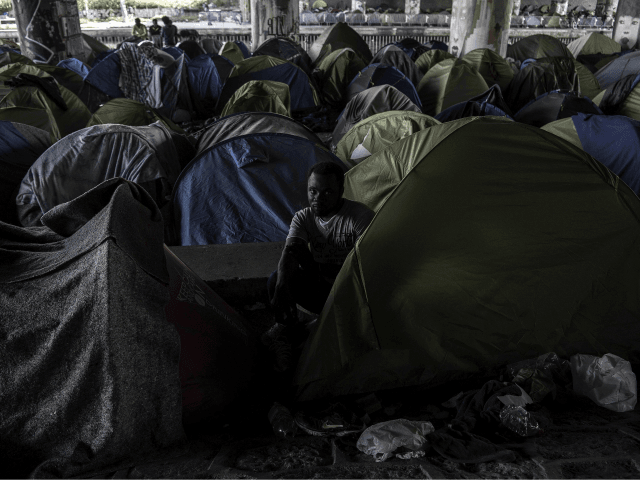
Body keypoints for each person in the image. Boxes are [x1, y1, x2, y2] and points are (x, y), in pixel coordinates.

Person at [265, 161, 375, 370]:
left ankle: (320, 326)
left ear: (341, 191)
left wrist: (319, 270)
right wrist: (282, 285)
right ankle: (290, 330)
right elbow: (291, 251)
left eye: (327, 192)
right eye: (313, 191)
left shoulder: (359, 217)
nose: (318, 198)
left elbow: (368, 268)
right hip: (322, 286)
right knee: (276, 280)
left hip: (352, 293)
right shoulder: (304, 217)